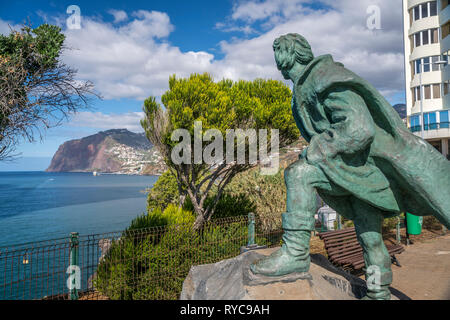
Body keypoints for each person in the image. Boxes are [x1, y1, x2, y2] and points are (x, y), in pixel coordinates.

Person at [250, 33, 450, 300]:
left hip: (364, 169)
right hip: (356, 172)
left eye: (277, 51)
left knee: (299, 174)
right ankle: (379, 293)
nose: (275, 58)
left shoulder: (323, 77)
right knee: (370, 236)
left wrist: (319, 149)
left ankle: (296, 253)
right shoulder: (305, 85)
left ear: (287, 55)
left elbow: (359, 129)